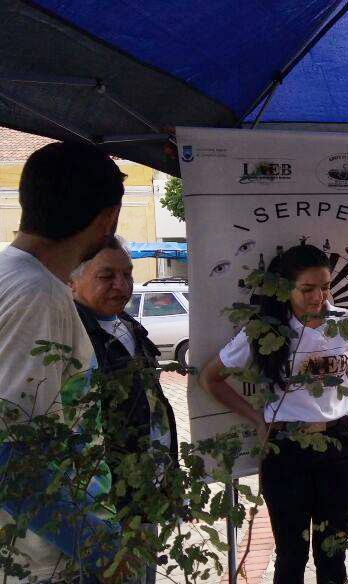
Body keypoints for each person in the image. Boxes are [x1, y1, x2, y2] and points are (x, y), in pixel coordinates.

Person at [200, 243, 348, 584]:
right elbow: (211, 378)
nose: (318, 297)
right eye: (307, 289)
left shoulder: (346, 322)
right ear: (285, 289)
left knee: (332, 553)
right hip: (286, 450)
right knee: (291, 555)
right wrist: (257, 418)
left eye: (325, 287)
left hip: (338, 445)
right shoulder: (266, 331)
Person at [0, 141, 124, 581]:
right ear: (107, 219)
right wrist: (101, 552)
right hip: (42, 559)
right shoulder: (38, 293)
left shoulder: (11, 275)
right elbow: (9, 455)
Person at [70, 236, 179, 584]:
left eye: (127, 274)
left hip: (146, 485)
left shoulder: (128, 324)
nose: (121, 285)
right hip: (104, 495)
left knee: (143, 572)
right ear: (73, 280)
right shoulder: (73, 334)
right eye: (107, 276)